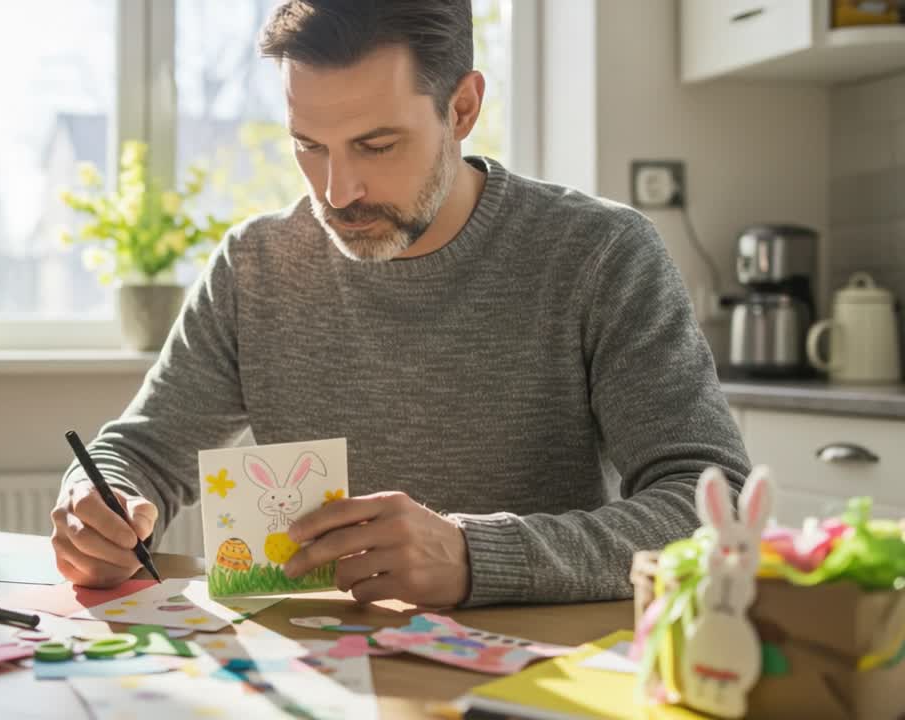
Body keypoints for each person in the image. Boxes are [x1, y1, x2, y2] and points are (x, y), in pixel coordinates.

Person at [50, 0, 750, 608]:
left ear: (464, 108)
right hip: (320, 671)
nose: (337, 190)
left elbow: (713, 504)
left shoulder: (601, 253)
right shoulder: (254, 266)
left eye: (377, 145)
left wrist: (476, 557)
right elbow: (138, 452)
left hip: (539, 675)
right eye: (308, 146)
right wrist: (99, 504)